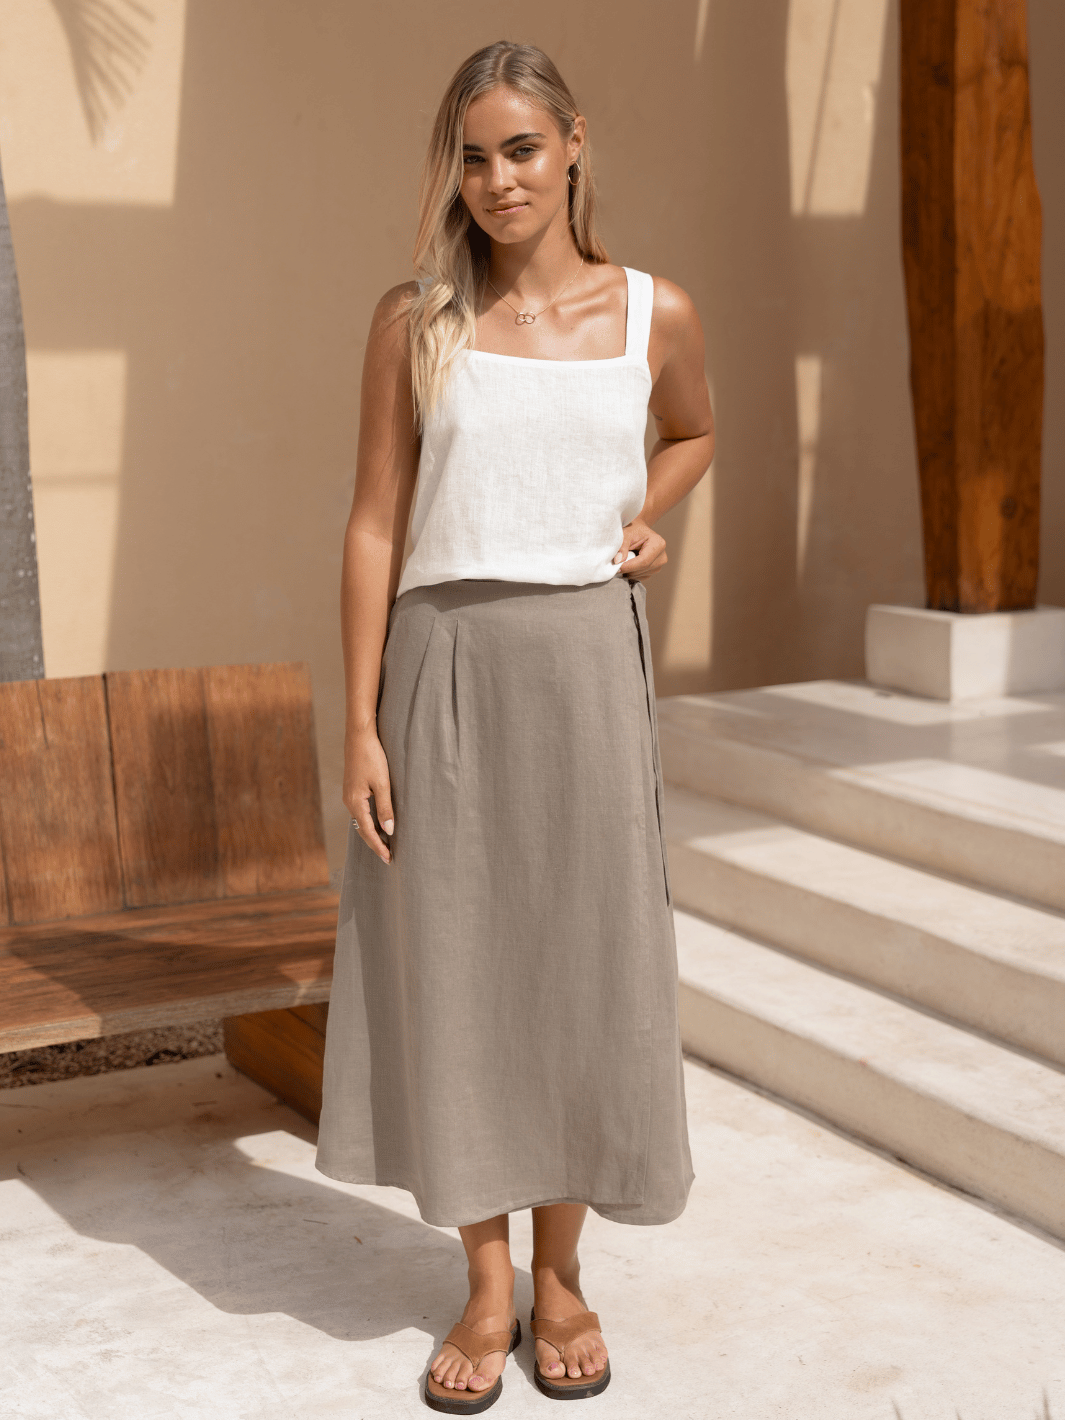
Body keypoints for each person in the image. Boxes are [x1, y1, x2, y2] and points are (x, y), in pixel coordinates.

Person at [315, 40, 714, 1412]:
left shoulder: (654, 313)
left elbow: (695, 432)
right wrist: (361, 722)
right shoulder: (413, 318)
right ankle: (485, 1281)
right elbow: (375, 525)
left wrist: (646, 511)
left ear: (575, 145)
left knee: (584, 969)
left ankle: (563, 1275)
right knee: (457, 968)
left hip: (586, 670)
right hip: (443, 667)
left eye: (522, 150)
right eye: (474, 157)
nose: (497, 182)